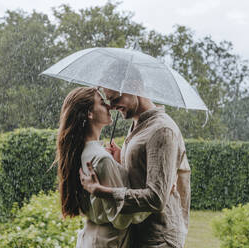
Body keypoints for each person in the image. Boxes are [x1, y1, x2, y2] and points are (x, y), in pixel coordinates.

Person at [79, 87, 191, 248]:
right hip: (139, 233)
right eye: (108, 100)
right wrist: (120, 162)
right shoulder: (138, 124)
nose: (111, 106)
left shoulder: (161, 130)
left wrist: (101, 191)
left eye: (115, 99)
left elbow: (156, 198)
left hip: (158, 238)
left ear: (135, 87)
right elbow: (142, 175)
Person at [54, 86, 150, 248]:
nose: (109, 106)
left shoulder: (82, 153)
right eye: (102, 103)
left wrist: (117, 165)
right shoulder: (101, 158)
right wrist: (159, 198)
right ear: (89, 114)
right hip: (108, 242)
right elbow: (122, 217)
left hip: (91, 238)